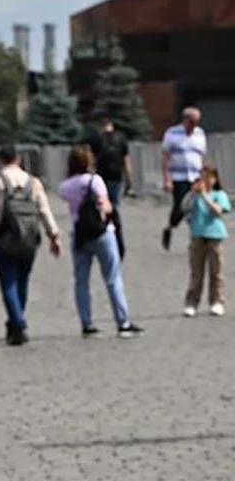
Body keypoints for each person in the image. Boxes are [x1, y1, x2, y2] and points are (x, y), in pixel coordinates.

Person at [0, 145, 61, 346]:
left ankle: (18, 323)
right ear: (18, 159)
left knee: (8, 283)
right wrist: (53, 236)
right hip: (29, 239)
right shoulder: (33, 182)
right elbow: (44, 210)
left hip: (4, 238)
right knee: (22, 282)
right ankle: (15, 324)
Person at [59, 144, 141, 337]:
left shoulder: (65, 186)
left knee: (81, 280)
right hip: (101, 232)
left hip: (78, 234)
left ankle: (87, 324)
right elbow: (105, 206)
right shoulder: (95, 181)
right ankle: (123, 322)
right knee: (112, 278)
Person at [182, 162, 229, 318]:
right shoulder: (195, 196)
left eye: (209, 177)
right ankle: (191, 303)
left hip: (215, 236)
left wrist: (205, 196)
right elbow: (184, 208)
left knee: (216, 272)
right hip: (197, 235)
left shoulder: (219, 195)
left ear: (215, 179)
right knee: (196, 273)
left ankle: (217, 302)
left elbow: (217, 211)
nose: (205, 180)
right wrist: (192, 193)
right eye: (202, 177)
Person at [161, 106, 207, 251]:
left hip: (195, 176)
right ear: (185, 120)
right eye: (192, 121)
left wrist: (205, 177)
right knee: (180, 207)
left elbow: (202, 156)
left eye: (197, 122)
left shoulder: (200, 134)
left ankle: (194, 239)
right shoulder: (172, 133)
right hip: (178, 176)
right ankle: (169, 228)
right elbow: (165, 157)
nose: (194, 125)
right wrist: (167, 179)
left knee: (196, 207)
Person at [86, 115, 131, 256]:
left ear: (101, 126)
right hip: (116, 176)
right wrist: (129, 179)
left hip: (101, 177)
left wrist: (89, 176)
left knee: (101, 206)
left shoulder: (96, 138)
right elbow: (126, 160)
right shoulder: (121, 138)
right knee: (114, 205)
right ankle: (116, 235)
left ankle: (103, 233)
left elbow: (90, 159)